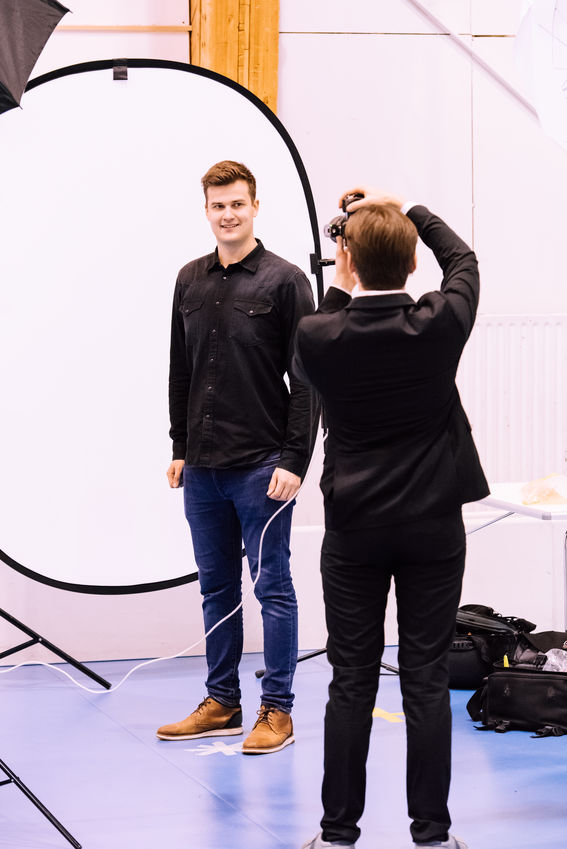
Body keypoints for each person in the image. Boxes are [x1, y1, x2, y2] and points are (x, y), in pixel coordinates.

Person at [294, 190, 489, 848]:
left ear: (346, 261)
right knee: (425, 679)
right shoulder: (439, 322)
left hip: (354, 529)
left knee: (350, 679)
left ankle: (336, 834)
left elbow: (326, 322)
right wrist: (411, 210)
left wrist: (343, 268)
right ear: (411, 265)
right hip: (432, 527)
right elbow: (462, 260)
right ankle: (431, 834)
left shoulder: (319, 333)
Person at [157, 161, 318, 754]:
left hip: (261, 465)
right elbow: (180, 369)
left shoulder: (285, 281)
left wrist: (294, 459)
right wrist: (180, 447)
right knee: (216, 589)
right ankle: (222, 702)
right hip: (202, 468)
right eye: (218, 205)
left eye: (237, 204)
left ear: (255, 207)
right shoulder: (189, 280)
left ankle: (278, 710)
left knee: (272, 587)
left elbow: (308, 379)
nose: (228, 214)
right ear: (206, 210)